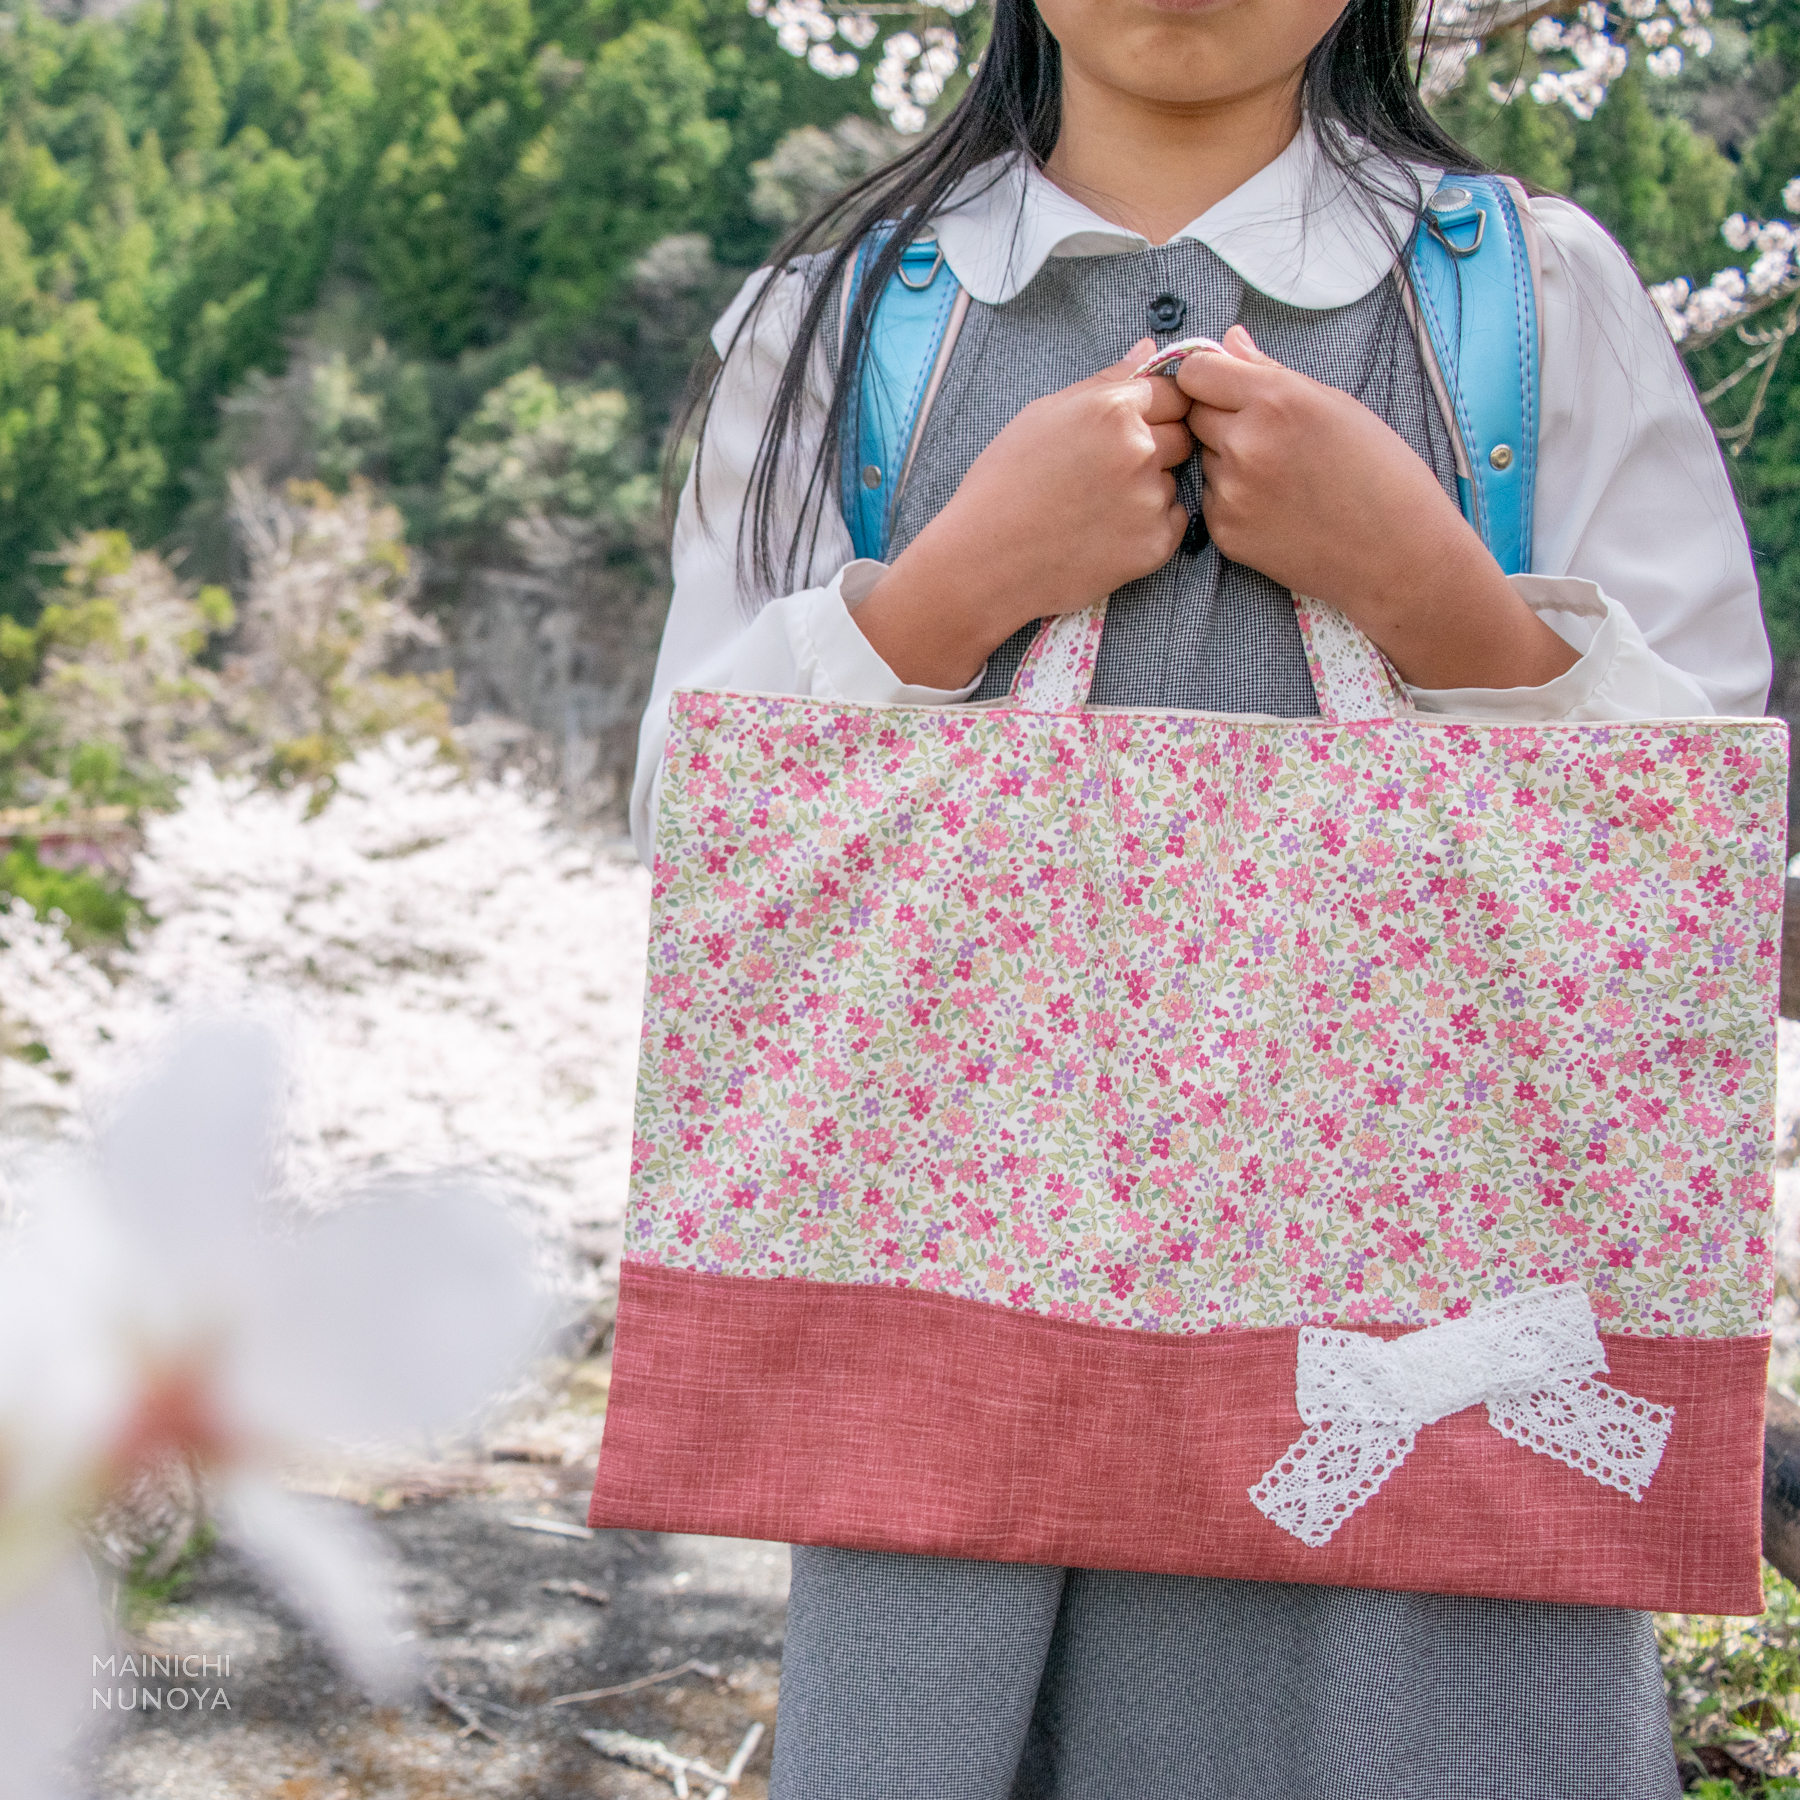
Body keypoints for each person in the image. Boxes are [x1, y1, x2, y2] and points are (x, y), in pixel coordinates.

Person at [628, 1, 1771, 1794]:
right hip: (964, 1415)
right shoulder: (854, 310)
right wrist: (943, 594)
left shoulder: (1529, 294)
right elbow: (706, 834)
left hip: (1419, 1431)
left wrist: (1429, 589)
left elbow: (1695, 872)